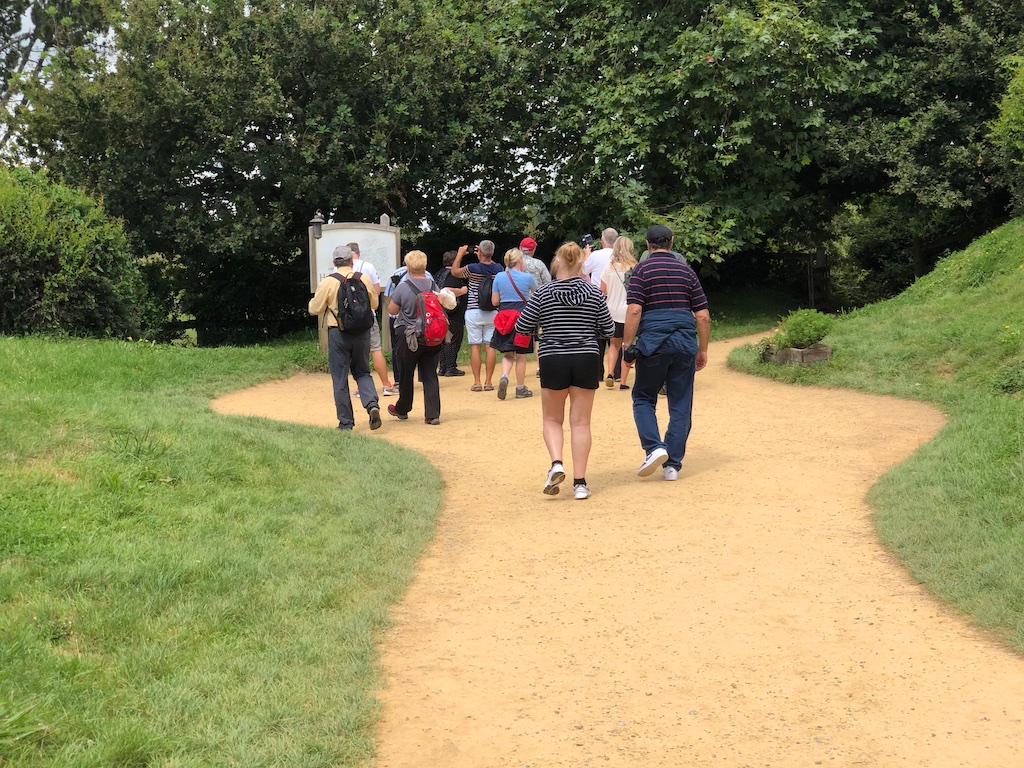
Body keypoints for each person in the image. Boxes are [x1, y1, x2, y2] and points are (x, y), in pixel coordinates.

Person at [514, 242, 614, 500]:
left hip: (553, 357)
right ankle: (580, 483)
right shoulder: (593, 292)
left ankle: (556, 463)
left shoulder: (544, 293)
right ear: (581, 263)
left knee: (552, 419)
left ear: (558, 262)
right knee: (581, 423)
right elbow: (609, 329)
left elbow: (523, 325)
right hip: (586, 357)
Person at [621, 224, 710, 481]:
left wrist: (628, 346)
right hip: (684, 344)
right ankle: (672, 465)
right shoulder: (686, 271)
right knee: (681, 404)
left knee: (643, 398)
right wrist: (702, 350)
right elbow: (702, 316)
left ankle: (654, 447)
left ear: (648, 245)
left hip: (653, 345)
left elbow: (635, 310)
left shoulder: (642, 270)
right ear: (671, 242)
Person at [307, 245, 382, 431]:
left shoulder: (328, 282)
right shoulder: (362, 278)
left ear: (334, 262)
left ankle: (346, 422)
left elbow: (314, 309)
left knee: (340, 377)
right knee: (363, 372)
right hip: (362, 333)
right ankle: (372, 405)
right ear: (352, 261)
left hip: (338, 333)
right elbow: (375, 303)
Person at [386, 250, 442, 425]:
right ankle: (432, 414)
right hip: (431, 335)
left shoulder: (403, 287)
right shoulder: (433, 285)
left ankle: (402, 409)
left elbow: (392, 311)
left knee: (406, 373)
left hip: (408, 336)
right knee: (429, 374)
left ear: (408, 266)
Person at [450, 240, 503, 391]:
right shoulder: (499, 268)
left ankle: (477, 382)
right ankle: (489, 382)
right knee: (490, 346)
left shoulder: (472, 268)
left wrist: (460, 254)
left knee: (475, 346)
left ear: (479, 252)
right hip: (492, 311)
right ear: (492, 252)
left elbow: (454, 271)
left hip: (474, 311)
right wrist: (484, 252)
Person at [348, 241, 398, 395]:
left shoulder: (341, 269)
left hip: (349, 317)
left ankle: (359, 387)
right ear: (359, 253)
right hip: (367, 314)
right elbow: (376, 290)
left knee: (356, 352)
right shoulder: (367, 266)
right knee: (375, 349)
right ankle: (386, 385)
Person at [490, 248, 537, 400]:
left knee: (508, 353)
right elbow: (537, 296)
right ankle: (520, 388)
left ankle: (504, 376)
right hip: (523, 318)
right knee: (521, 356)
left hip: (505, 318)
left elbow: (495, 301)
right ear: (518, 260)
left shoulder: (499, 277)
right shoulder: (527, 277)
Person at [385, 261, 435, 392]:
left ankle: (399, 384)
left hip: (405, 326)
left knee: (401, 355)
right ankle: (432, 411)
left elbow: (390, 303)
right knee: (428, 363)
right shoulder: (430, 279)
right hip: (427, 326)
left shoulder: (398, 278)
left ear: (407, 265)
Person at [600, 235, 638, 390]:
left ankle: (610, 373)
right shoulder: (635, 266)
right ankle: (622, 381)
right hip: (629, 311)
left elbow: (603, 290)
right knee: (626, 345)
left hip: (611, 311)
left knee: (613, 345)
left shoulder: (609, 267)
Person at [438, 250, 469, 376]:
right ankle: (451, 367)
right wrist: (462, 291)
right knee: (453, 339)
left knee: (443, 340)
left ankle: (443, 367)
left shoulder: (439, 273)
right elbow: (445, 290)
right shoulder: (453, 275)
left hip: (440, 313)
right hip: (453, 313)